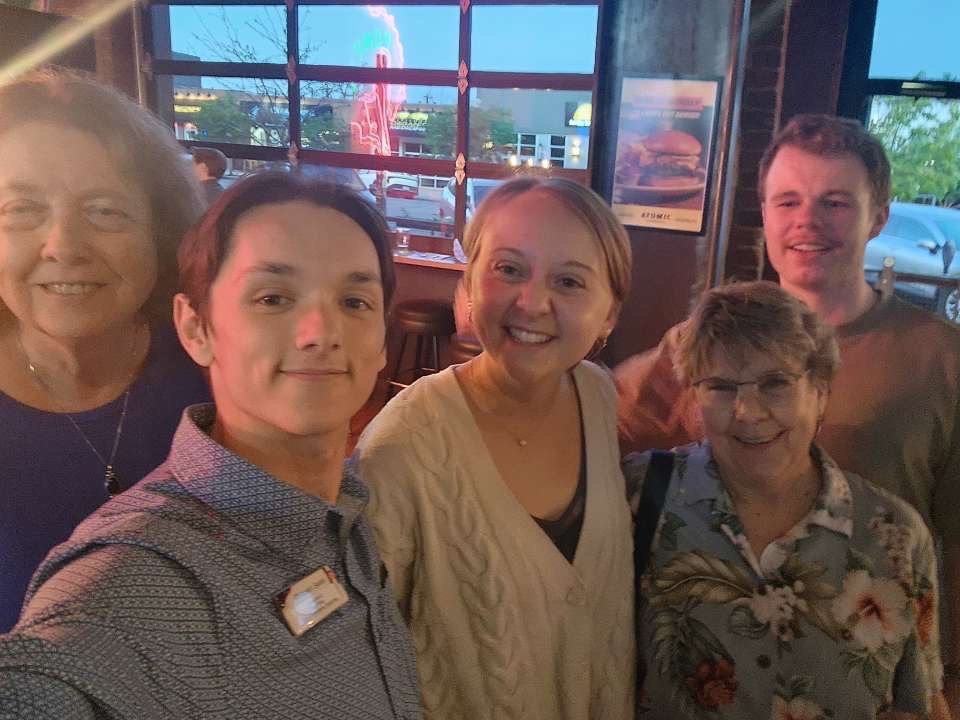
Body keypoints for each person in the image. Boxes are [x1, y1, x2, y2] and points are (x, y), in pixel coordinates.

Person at [0, 172, 421, 719]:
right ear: (196, 328)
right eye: (273, 297)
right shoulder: (142, 579)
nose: (322, 330)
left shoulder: (347, 511)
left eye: (354, 301)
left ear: (383, 340)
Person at [615, 114, 960, 708]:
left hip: (866, 665)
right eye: (788, 200)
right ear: (766, 214)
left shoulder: (942, 358)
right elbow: (597, 418)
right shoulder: (703, 343)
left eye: (835, 202)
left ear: (879, 216)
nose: (807, 221)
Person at [355, 177, 636, 719]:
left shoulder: (598, 396)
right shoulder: (403, 447)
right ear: (467, 287)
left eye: (571, 282)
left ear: (610, 313)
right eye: (508, 269)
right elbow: (363, 655)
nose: (531, 303)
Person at [626, 280, 948, 719]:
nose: (749, 412)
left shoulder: (896, 537)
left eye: (775, 383)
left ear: (820, 393)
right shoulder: (638, 499)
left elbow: (919, 705)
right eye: (720, 387)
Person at [0, 69, 210, 633]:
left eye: (105, 211)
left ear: (160, 230)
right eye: (21, 210)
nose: (64, 245)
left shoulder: (215, 369)